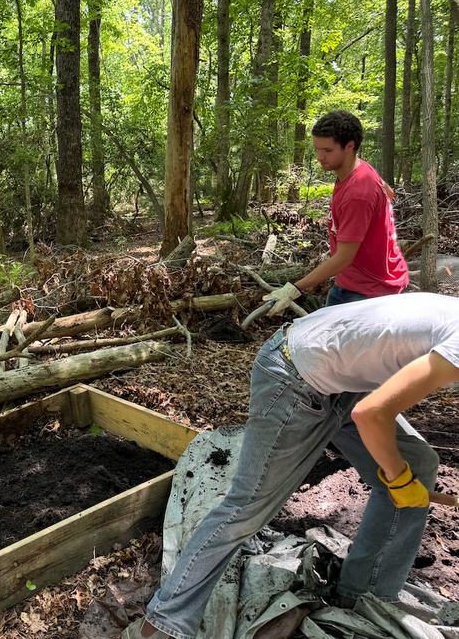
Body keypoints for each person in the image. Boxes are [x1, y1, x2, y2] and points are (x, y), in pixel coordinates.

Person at [124, 292, 459, 639]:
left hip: (343, 379)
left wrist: (402, 474)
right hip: (294, 374)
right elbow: (372, 414)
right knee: (246, 509)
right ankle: (162, 623)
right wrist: (398, 479)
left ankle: (364, 594)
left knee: (417, 462)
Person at [264, 111, 408, 316]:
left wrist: (293, 289)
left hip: (369, 293)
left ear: (349, 146)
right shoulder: (359, 169)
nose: (320, 157)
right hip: (353, 282)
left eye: (328, 150)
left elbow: (343, 258)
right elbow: (389, 193)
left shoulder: (358, 193)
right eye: (317, 149)